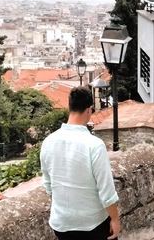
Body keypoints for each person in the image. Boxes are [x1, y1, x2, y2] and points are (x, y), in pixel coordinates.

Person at [40, 86, 120, 240]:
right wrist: (115, 219)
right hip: (92, 224)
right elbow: (106, 191)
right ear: (89, 110)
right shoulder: (94, 145)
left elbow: (49, 186)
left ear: (70, 107)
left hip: (61, 224)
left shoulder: (48, 142)